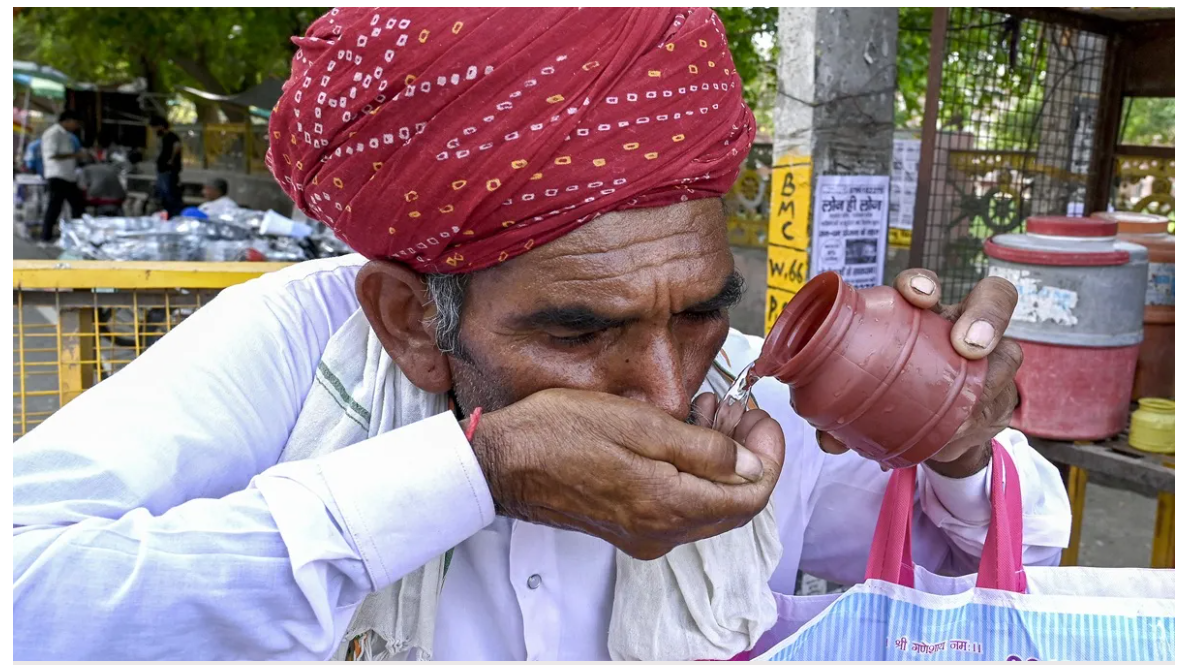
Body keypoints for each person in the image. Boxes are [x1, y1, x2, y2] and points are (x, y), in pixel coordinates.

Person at [12, 8, 1071, 661]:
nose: (665, 387)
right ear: (410, 322)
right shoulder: (300, 349)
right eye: (578, 328)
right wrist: (479, 470)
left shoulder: (751, 388)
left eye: (703, 307)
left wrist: (958, 441)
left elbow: (1014, 553)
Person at [38, 110, 86, 241]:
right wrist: (75, 155)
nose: (76, 126)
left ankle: (78, 234)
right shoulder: (53, 133)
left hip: (68, 176)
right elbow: (51, 154)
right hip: (57, 175)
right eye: (75, 123)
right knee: (55, 207)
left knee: (78, 206)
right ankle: (45, 236)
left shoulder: (66, 135)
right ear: (68, 120)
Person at [149, 114, 183, 217]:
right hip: (162, 168)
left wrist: (171, 160)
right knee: (163, 192)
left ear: (161, 126)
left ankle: (173, 212)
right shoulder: (162, 137)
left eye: (154, 127)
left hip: (168, 169)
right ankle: (166, 212)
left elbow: (177, 147)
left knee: (169, 192)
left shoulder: (171, 136)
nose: (154, 130)